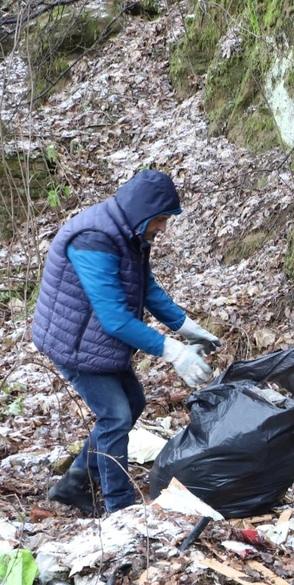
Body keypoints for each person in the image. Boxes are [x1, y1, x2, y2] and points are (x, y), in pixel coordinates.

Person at [32, 169, 220, 517]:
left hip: (97, 343)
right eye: (161, 219)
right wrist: (173, 351)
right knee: (115, 416)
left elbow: (145, 287)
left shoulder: (130, 233)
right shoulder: (94, 239)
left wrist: (186, 326)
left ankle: (75, 481)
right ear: (142, 212)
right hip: (73, 344)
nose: (162, 228)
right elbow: (114, 317)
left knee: (132, 402)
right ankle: (121, 508)